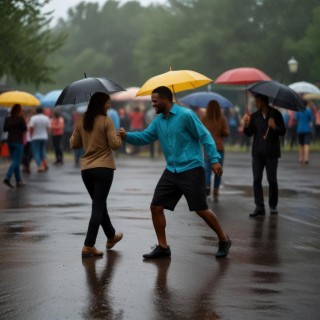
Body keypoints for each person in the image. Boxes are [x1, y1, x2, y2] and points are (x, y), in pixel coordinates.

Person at [118, 86, 231, 259]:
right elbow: (145, 137)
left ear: (165, 99)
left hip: (192, 167)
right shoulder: (159, 120)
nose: (153, 104)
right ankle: (163, 247)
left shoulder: (186, 115)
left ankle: (224, 239)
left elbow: (205, 136)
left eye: (155, 101)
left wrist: (214, 159)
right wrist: (127, 136)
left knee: (201, 209)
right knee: (156, 207)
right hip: (172, 169)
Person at [70, 92, 123, 258]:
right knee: (98, 205)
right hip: (104, 168)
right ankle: (89, 245)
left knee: (99, 204)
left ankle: (111, 236)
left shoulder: (82, 121)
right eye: (107, 103)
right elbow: (114, 145)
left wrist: (83, 135)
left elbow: (74, 144)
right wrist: (119, 135)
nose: (109, 106)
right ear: (101, 104)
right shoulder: (107, 121)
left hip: (86, 170)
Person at [242, 94, 286, 217]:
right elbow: (248, 133)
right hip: (257, 153)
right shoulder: (254, 116)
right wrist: (246, 124)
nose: (256, 103)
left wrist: (275, 126)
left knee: (272, 180)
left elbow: (283, 131)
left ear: (264, 102)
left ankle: (273, 205)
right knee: (256, 180)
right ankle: (259, 206)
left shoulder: (276, 114)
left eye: (257, 101)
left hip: (272, 153)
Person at [201, 100, 230, 199]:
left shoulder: (204, 118)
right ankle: (216, 189)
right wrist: (221, 131)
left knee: (207, 169)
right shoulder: (222, 119)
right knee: (218, 169)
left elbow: (200, 131)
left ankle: (207, 187)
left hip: (208, 147)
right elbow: (227, 133)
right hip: (219, 147)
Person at [3, 104, 27, 188]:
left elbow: (5, 129)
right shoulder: (21, 119)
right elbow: (25, 129)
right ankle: (7, 177)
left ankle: (18, 180)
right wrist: (23, 118)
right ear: (19, 110)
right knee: (16, 161)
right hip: (18, 142)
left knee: (14, 161)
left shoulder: (8, 118)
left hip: (10, 142)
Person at [29, 106, 50, 172]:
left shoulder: (33, 118)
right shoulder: (46, 118)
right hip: (44, 137)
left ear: (36, 111)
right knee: (42, 151)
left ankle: (40, 166)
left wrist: (31, 136)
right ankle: (45, 163)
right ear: (42, 111)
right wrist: (47, 135)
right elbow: (48, 128)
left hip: (35, 137)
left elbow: (31, 128)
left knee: (36, 152)